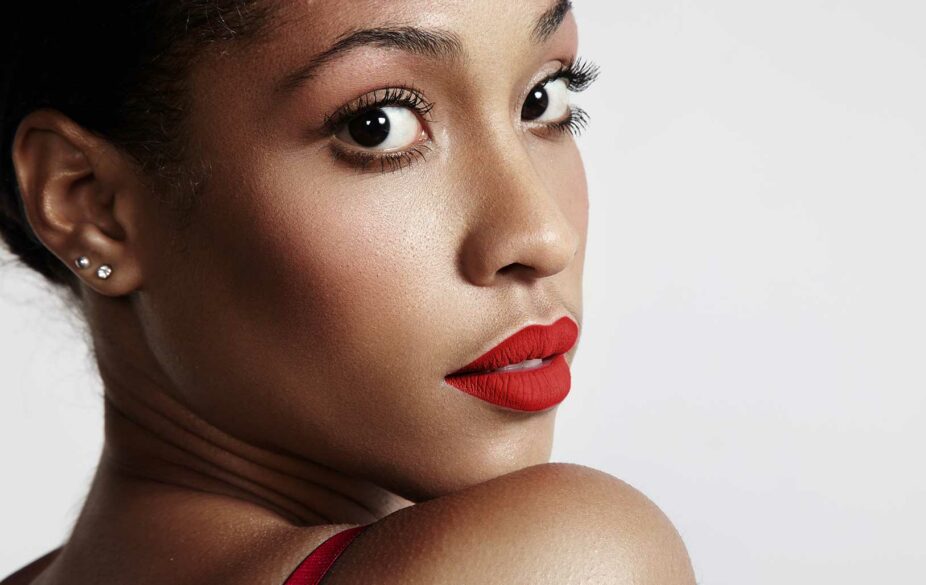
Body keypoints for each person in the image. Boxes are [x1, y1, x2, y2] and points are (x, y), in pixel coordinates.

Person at [0, 1, 696, 583]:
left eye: (544, 99)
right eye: (379, 124)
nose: (541, 236)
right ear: (90, 205)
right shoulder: (567, 560)